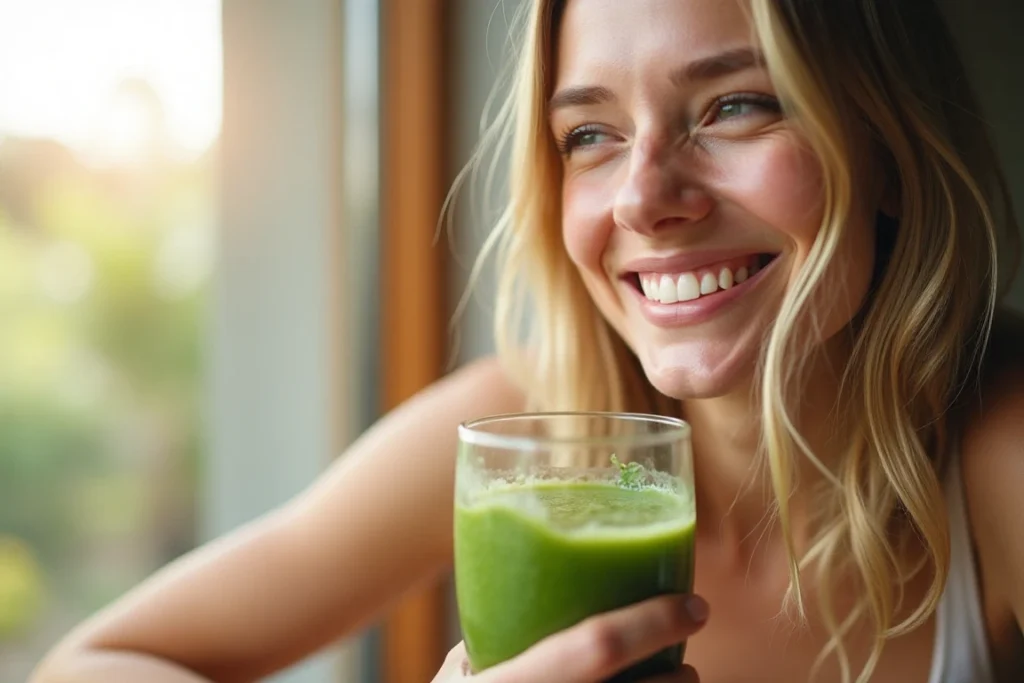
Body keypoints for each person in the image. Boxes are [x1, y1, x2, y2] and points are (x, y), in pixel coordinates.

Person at [31, 0, 1024, 681]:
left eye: (735, 105)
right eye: (589, 134)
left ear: (886, 151)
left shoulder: (999, 452)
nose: (641, 195)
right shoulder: (515, 444)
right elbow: (88, 662)